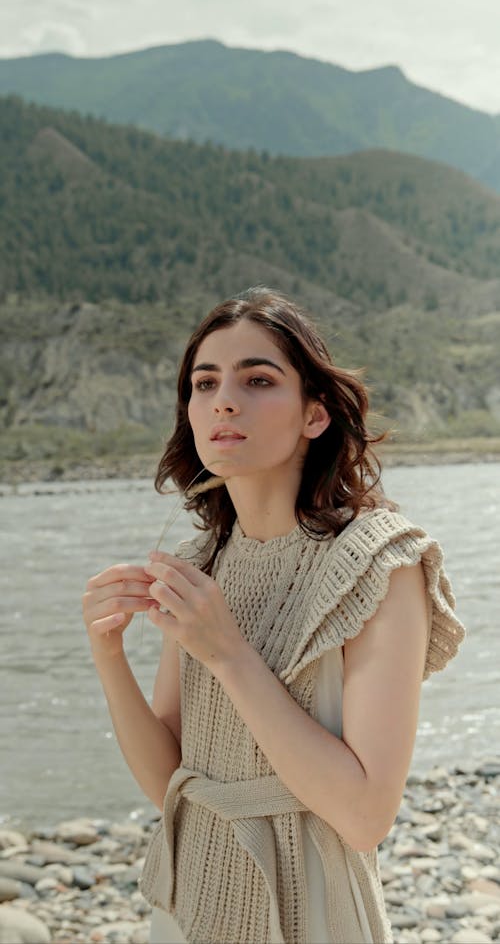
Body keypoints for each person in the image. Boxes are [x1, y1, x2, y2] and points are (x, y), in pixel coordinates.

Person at [82, 286, 465, 944]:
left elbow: (366, 816)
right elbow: (171, 783)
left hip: (309, 909)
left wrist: (227, 652)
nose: (224, 400)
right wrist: (108, 654)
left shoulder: (383, 565)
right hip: (187, 902)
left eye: (258, 379)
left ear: (315, 414)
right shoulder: (201, 560)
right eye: (205, 383)